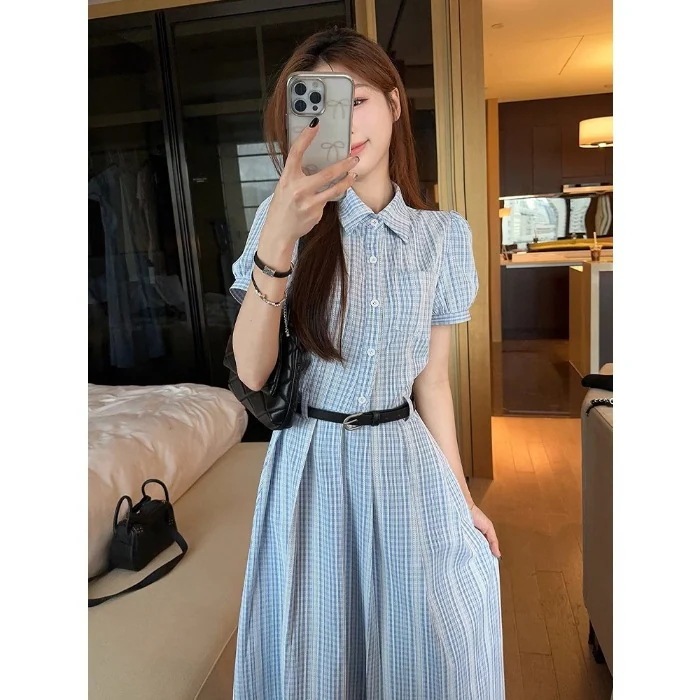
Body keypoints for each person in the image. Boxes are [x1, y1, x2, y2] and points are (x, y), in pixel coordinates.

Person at [229, 26, 504, 700]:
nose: (345, 125)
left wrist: (463, 497)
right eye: (322, 108)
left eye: (357, 102)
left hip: (405, 461)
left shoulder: (443, 237)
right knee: (320, 653)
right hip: (312, 465)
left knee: (431, 641)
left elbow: (433, 383)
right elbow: (252, 373)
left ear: (394, 104)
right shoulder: (282, 220)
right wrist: (279, 239)